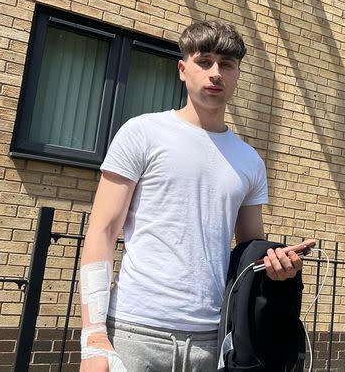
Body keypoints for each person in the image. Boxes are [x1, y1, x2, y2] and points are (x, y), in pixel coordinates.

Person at [79, 20, 304, 372]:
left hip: (209, 341)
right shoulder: (142, 133)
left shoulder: (249, 160)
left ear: (237, 75)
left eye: (226, 65)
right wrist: (92, 336)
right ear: (183, 70)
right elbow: (102, 231)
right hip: (134, 332)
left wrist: (276, 267)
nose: (216, 73)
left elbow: (249, 251)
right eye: (205, 62)